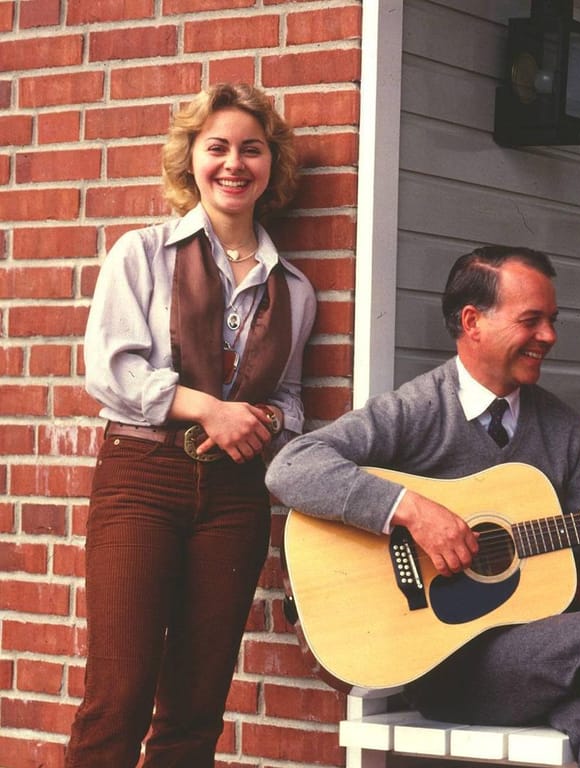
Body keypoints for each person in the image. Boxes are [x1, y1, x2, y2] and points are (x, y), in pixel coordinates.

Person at [264, 247, 580, 768]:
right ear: (472, 322)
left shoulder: (563, 429)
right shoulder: (419, 408)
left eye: (551, 321)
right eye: (531, 321)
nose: (550, 337)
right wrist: (413, 511)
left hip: (535, 655)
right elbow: (291, 466)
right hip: (439, 663)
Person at [69, 83, 317, 767]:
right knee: (117, 695)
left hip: (235, 497)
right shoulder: (141, 254)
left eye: (251, 149)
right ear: (191, 159)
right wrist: (209, 407)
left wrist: (263, 419)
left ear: (272, 165)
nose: (234, 164)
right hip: (141, 478)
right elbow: (108, 371)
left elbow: (292, 400)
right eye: (218, 148)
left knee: (197, 706)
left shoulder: (293, 288)